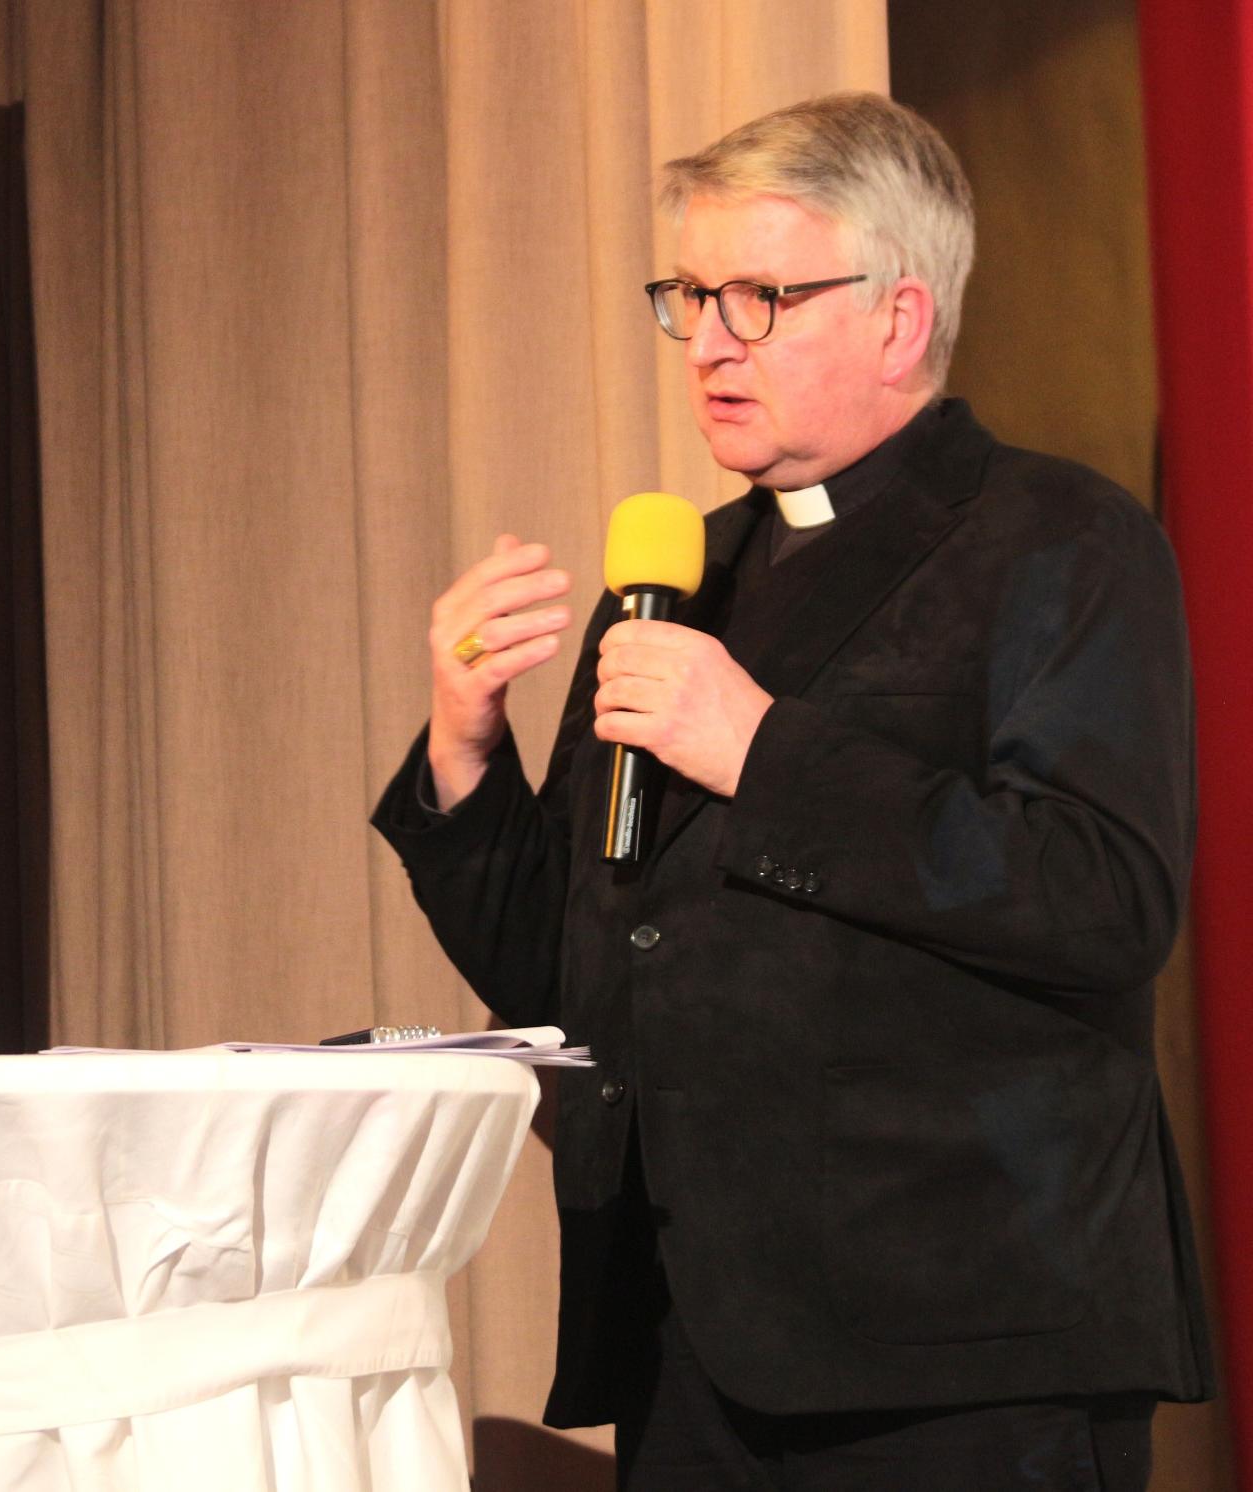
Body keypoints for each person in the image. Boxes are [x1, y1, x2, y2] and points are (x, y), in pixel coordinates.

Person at [373, 92, 1211, 1490]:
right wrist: (466, 757)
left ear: (900, 318)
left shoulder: (1059, 539)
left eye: (760, 297)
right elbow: (570, 969)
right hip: (692, 1335)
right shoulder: (681, 576)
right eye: (691, 295)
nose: (706, 343)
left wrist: (767, 753)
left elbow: (1103, 897)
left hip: (966, 1344)